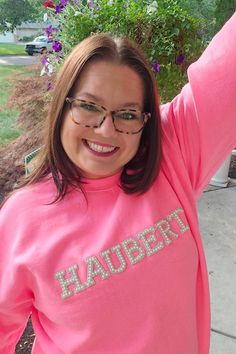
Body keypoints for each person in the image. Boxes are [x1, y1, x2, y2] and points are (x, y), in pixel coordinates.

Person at [0, 12, 235, 354]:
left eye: (127, 114)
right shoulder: (21, 219)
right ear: (63, 107)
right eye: (89, 107)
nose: (106, 130)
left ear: (145, 120)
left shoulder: (173, 154)